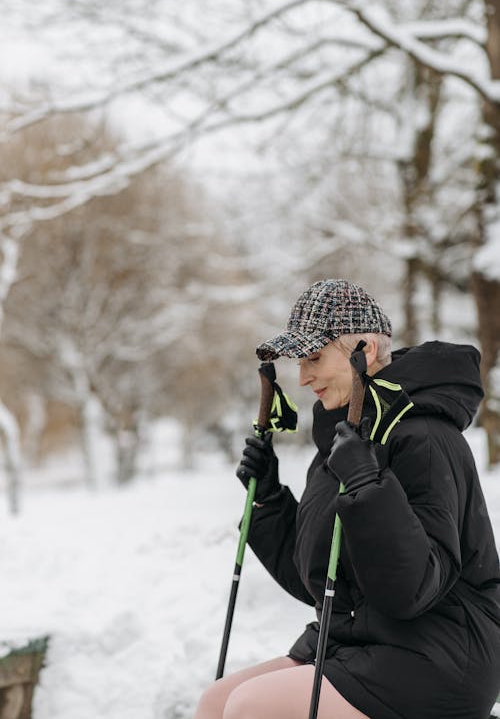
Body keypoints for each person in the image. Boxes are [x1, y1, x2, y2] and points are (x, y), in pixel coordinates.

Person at [193, 279, 500, 719]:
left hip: (438, 652)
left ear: (365, 349)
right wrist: (270, 500)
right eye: (299, 361)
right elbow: (320, 583)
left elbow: (411, 590)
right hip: (354, 643)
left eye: (314, 357)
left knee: (250, 708)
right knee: (217, 700)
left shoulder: (426, 437)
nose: (302, 377)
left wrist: (367, 486)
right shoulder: (345, 441)